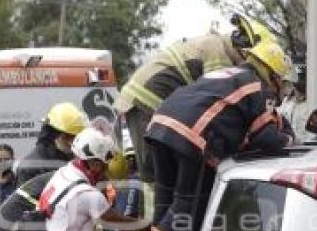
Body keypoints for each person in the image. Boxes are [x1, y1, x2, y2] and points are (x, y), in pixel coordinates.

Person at [144, 40, 294, 231]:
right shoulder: (256, 85)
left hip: (159, 126)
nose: (281, 88)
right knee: (188, 200)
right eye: (282, 82)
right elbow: (266, 138)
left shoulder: (228, 75)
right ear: (273, 74)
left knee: (165, 196)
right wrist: (290, 140)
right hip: (190, 134)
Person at [114, 13, 277, 181]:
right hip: (147, 102)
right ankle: (155, 206)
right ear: (245, 48)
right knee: (157, 172)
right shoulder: (218, 52)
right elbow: (219, 100)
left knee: (167, 169)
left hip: (153, 101)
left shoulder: (215, 45)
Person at [15, 102, 88, 185]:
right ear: (52, 134)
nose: (71, 142)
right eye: (66, 137)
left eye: (75, 137)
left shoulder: (80, 158)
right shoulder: (31, 167)